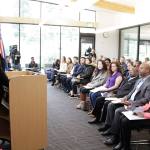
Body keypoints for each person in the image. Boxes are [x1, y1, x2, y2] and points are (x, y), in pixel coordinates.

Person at [103, 63, 150, 148]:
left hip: (137, 105)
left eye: (142, 68)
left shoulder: (149, 82)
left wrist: (132, 103)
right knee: (111, 105)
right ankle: (110, 128)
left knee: (118, 112)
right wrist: (125, 97)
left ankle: (115, 137)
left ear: (148, 70)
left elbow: (146, 100)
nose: (139, 69)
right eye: (139, 68)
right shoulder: (139, 80)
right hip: (130, 102)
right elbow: (132, 92)